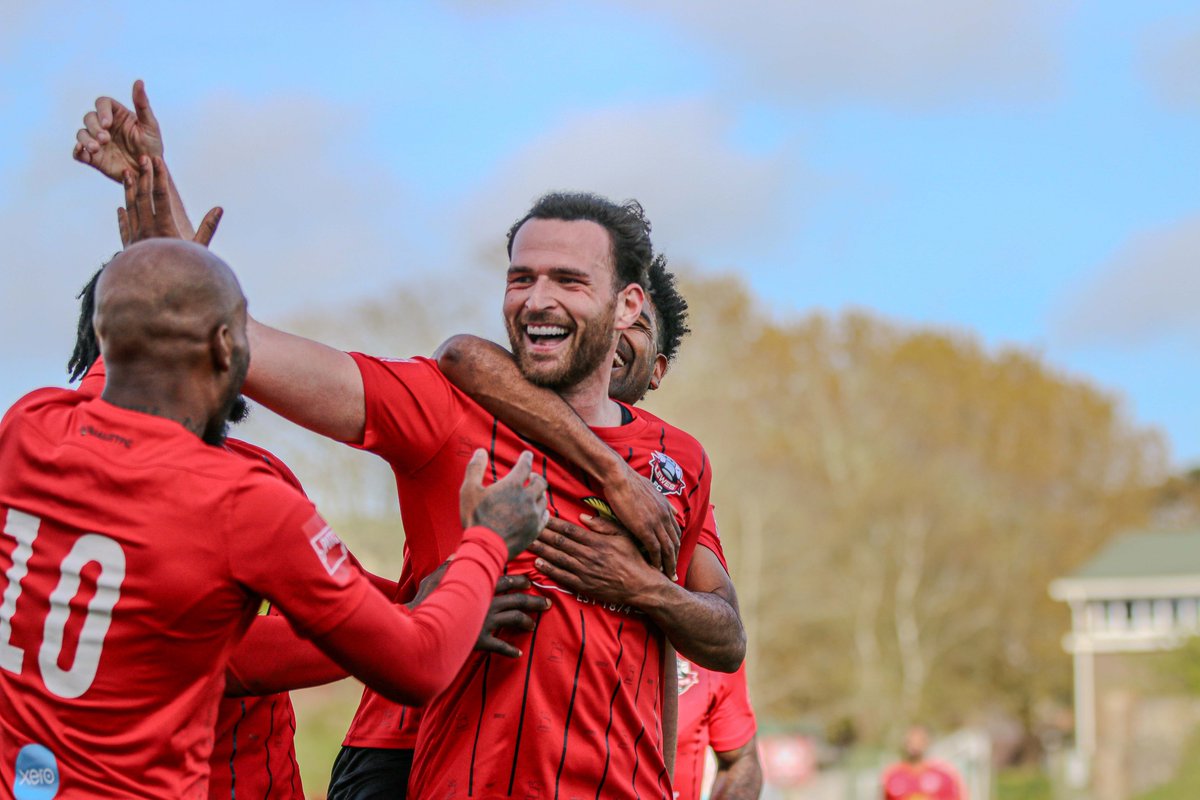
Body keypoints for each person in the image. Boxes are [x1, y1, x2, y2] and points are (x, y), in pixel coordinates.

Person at [73, 83, 745, 799]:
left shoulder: (680, 461)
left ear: (627, 305)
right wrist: (170, 253)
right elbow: (255, 348)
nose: (538, 298)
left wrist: (640, 589)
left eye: (569, 280)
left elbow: (724, 638)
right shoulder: (439, 406)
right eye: (521, 277)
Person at [0, 235, 549, 798]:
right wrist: (484, 543)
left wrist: (164, 284)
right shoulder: (240, 496)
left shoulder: (27, 427)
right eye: (246, 332)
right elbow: (415, 663)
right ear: (223, 344)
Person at [880, 726, 965, 800]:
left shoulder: (945, 773)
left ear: (927, 741)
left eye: (919, 740)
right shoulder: (892, 774)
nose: (914, 744)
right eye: (911, 740)